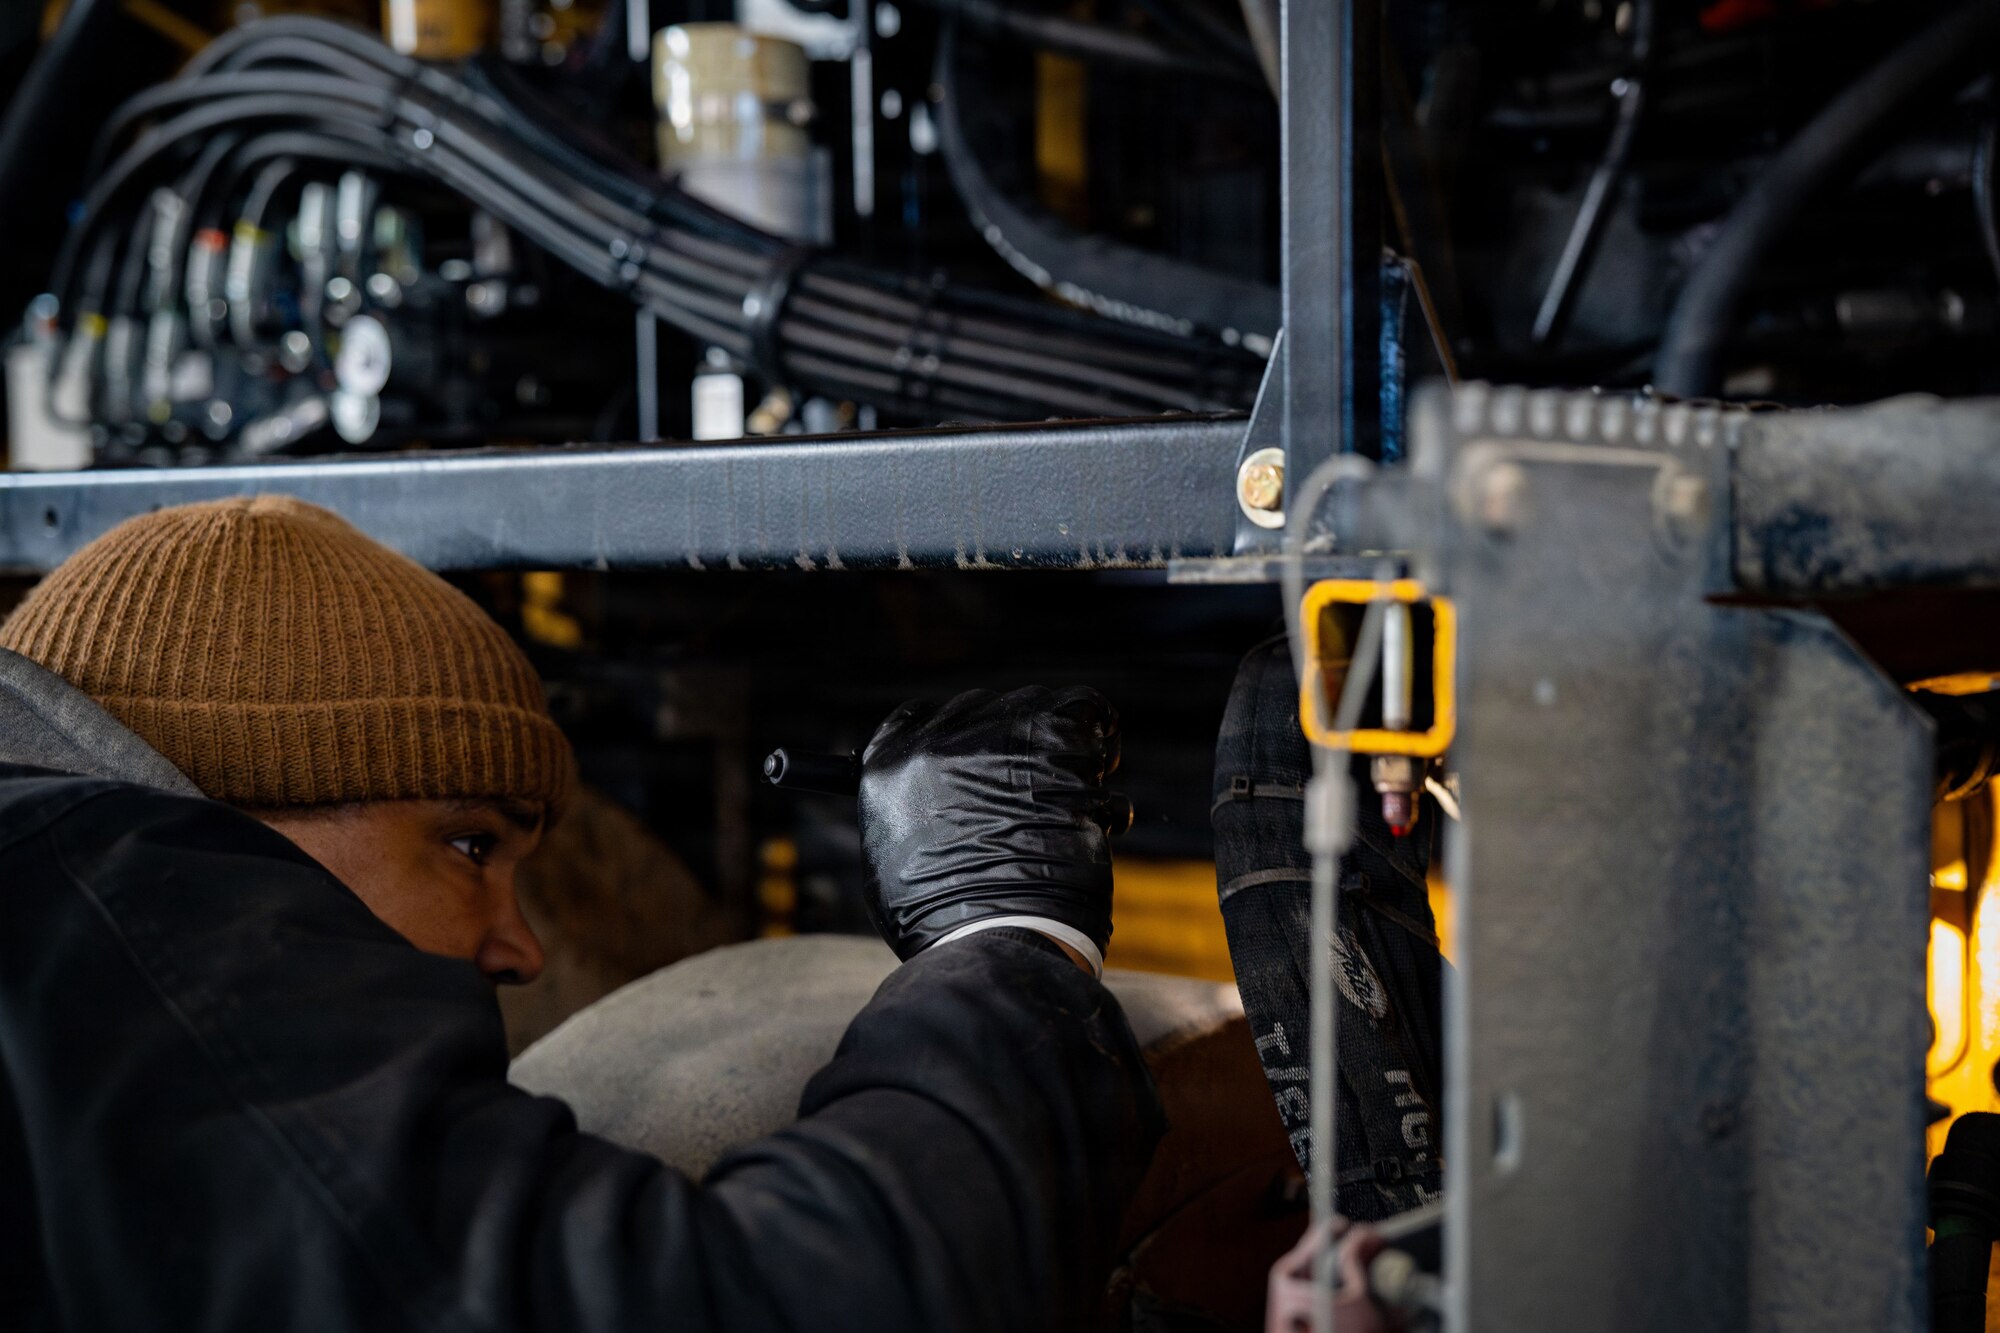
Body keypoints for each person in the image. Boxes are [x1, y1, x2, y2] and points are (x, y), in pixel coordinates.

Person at [0, 494, 1162, 1332]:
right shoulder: (118, 899)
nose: (519, 946)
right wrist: (998, 934)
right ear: (245, 793)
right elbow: (775, 1302)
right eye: (467, 844)